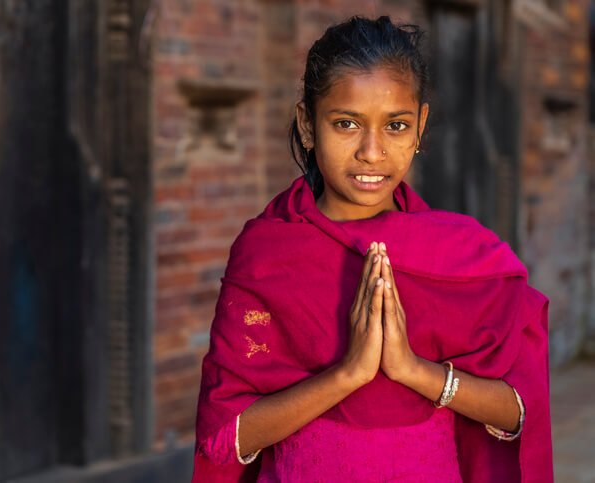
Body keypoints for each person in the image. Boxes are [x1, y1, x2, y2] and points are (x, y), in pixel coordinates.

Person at [193, 15, 552, 482]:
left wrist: (412, 370)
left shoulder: (464, 256)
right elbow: (225, 438)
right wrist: (348, 375)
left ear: (420, 126)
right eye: (346, 123)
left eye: (396, 126)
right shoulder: (267, 254)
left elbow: (520, 413)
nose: (371, 151)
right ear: (307, 123)